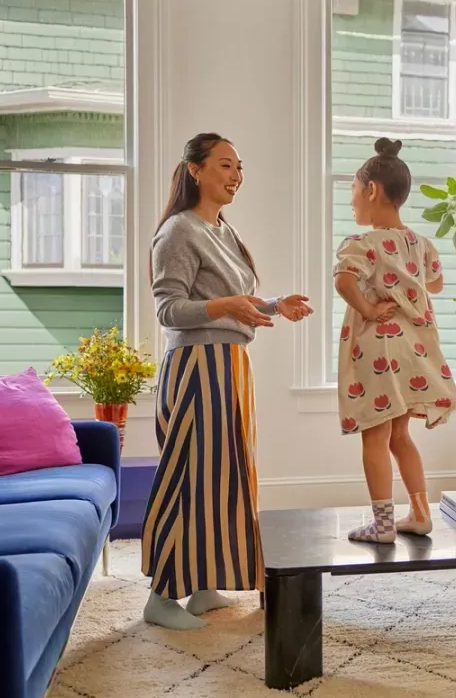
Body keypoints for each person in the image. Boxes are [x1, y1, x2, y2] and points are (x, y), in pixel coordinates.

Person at [141, 132, 312, 630]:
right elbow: (169, 309)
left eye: (239, 167)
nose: (236, 176)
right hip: (196, 367)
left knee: (222, 479)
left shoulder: (223, 231)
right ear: (195, 170)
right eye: (224, 165)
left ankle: (201, 584)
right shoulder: (178, 231)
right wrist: (228, 307)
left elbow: (235, 302)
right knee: (188, 476)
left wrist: (275, 305)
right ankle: (161, 595)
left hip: (230, 367)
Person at [333, 137, 456, 543]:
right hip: (414, 349)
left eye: (354, 192)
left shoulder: (362, 243)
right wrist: (408, 283)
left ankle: (383, 524)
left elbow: (343, 281)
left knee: (375, 435)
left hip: (379, 350)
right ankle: (420, 513)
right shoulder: (421, 245)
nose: (353, 202)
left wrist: (370, 310)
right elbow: (436, 284)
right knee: (400, 436)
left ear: (372, 191)